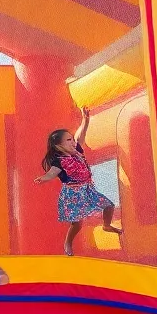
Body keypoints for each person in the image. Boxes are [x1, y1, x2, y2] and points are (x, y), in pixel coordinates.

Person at [34, 107, 122, 256]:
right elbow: (52, 173)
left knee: (109, 205)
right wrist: (43, 178)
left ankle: (106, 225)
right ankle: (68, 242)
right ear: (58, 146)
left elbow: (80, 136)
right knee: (77, 224)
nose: (73, 142)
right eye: (68, 140)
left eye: (71, 139)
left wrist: (85, 121)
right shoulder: (60, 161)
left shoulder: (77, 152)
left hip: (87, 190)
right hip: (72, 194)